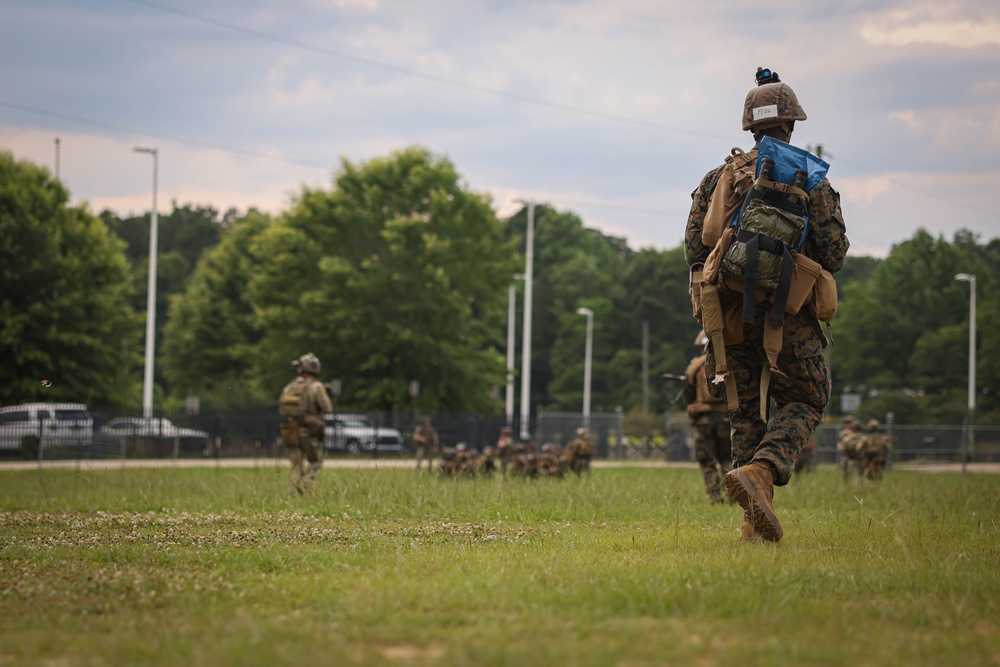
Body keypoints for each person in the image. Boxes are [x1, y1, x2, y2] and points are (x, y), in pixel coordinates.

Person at [685, 67, 849, 542]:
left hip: (730, 315)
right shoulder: (810, 178)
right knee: (806, 397)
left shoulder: (717, 177)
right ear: (792, 124)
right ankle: (763, 472)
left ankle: (750, 524)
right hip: (790, 316)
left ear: (750, 126)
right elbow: (834, 254)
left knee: (744, 412)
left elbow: (696, 250)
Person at [684, 330, 733, 504]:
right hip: (727, 418)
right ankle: (734, 497)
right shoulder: (728, 363)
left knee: (708, 461)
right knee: (728, 460)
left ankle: (715, 498)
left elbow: (688, 392)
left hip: (704, 420)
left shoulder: (696, 365)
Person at [278, 352, 333, 495]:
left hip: (290, 430)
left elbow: (282, 408)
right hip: (309, 430)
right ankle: (304, 489)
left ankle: (292, 495)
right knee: (316, 462)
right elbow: (327, 408)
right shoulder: (316, 387)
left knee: (296, 466)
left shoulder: (290, 387)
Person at [837, 417, 865, 483]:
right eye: (846, 423)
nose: (848, 425)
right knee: (845, 472)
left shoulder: (856, 434)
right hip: (846, 455)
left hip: (855, 456)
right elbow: (841, 444)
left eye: (849, 423)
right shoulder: (843, 433)